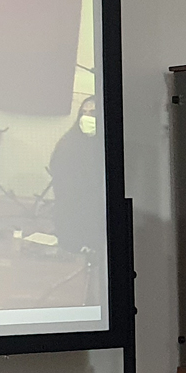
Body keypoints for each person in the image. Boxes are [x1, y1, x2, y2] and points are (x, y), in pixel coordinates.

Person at [47, 94, 106, 254]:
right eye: (83, 113)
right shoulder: (69, 142)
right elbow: (58, 171)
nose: (87, 117)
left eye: (93, 113)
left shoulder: (107, 142)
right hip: (73, 206)